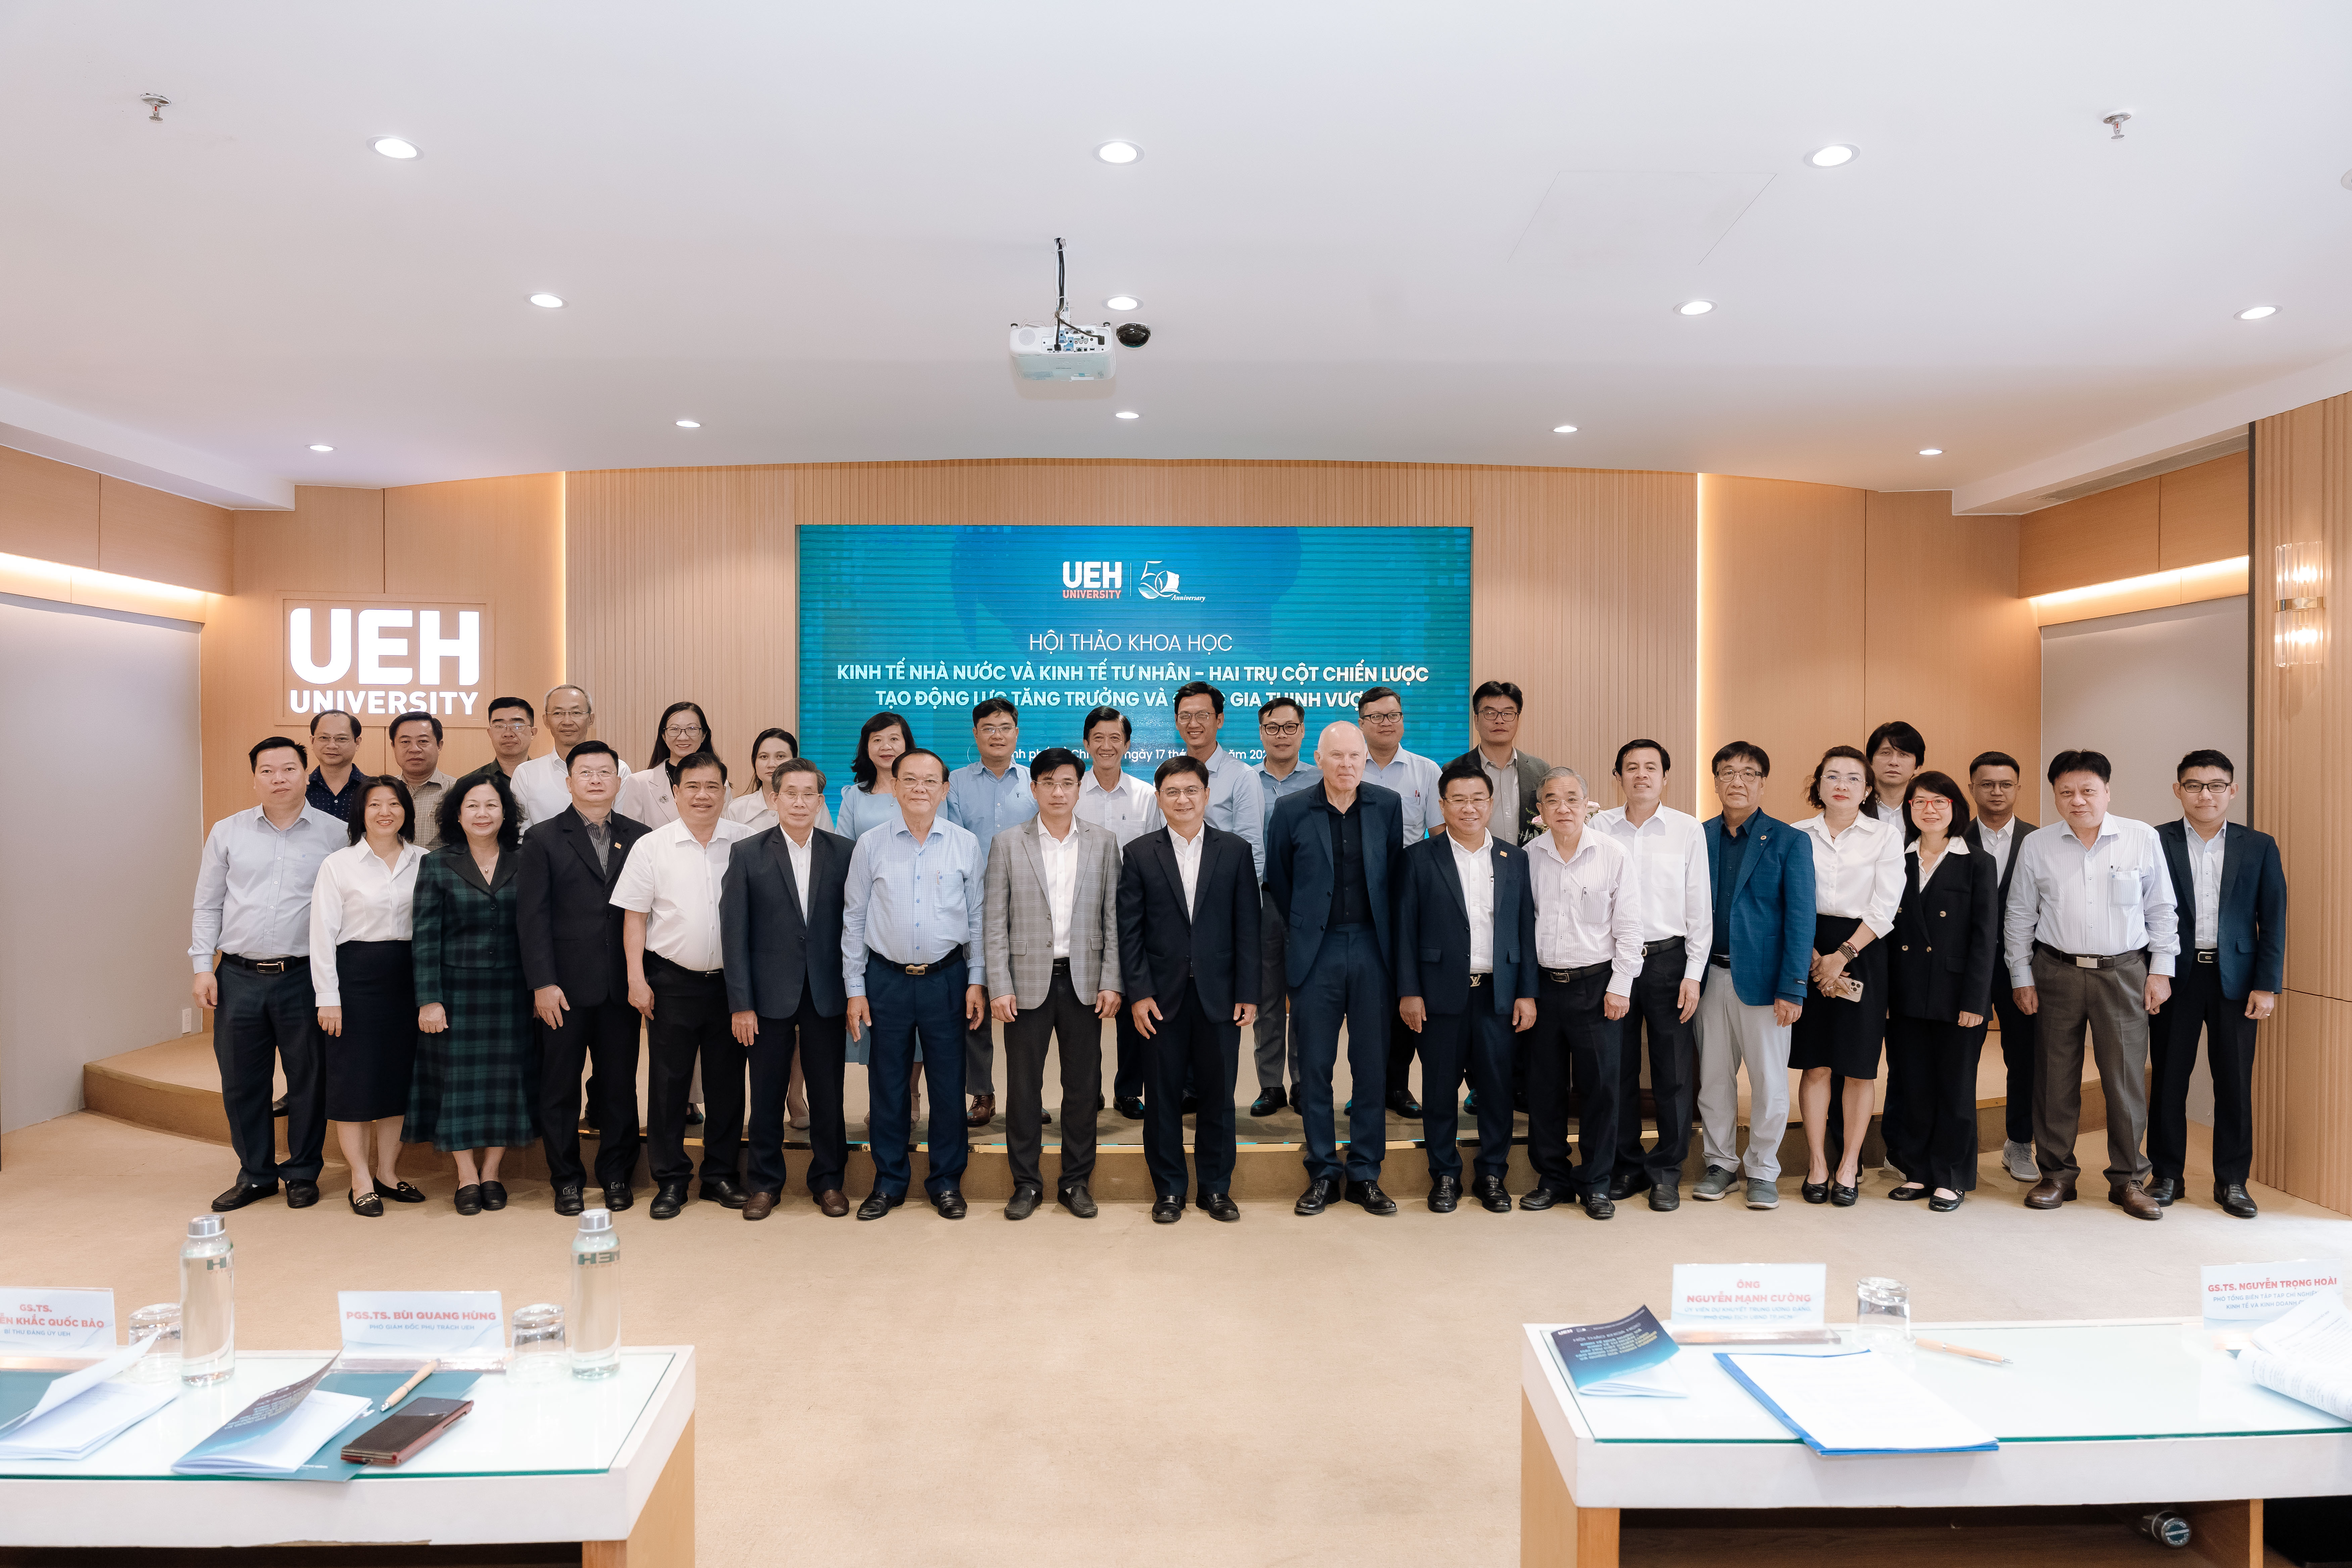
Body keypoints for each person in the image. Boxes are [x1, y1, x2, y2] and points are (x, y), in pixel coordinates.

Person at [2004, 749, 2178, 1221]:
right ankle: (2056, 1174)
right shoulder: (2038, 844)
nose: (2077, 800)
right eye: (2066, 792)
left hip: (2123, 972)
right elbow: (2019, 915)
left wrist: (2161, 970)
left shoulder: (2141, 838)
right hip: (2054, 970)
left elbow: (2162, 909)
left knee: (2124, 1080)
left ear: (2107, 792)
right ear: (2055, 795)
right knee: (2053, 1079)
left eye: (2087, 790)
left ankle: (2128, 1179)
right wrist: (2021, 975)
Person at [189, 736, 342, 1212]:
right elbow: (208, 903)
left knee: (308, 1080)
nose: (279, 779)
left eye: (289, 769)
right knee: (241, 1082)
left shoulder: (336, 834)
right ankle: (256, 1174)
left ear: (306, 774)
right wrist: (202, 967)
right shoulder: (227, 831)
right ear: (254, 777)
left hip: (304, 976)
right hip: (237, 975)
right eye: (268, 771)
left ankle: (302, 1172)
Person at [842, 748, 987, 1220]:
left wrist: (977, 980)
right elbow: (854, 919)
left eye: (930, 781)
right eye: (910, 780)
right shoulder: (871, 845)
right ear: (895, 787)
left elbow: (979, 919)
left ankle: (946, 1182)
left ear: (945, 790)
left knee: (948, 1085)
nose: (920, 789)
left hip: (948, 978)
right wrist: (855, 988)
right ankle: (889, 1182)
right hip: (886, 980)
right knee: (888, 1085)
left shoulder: (965, 844)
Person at [612, 751, 757, 1219]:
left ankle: (720, 1176)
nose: (702, 795)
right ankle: (671, 1179)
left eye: (712, 786)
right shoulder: (652, 846)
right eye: (692, 786)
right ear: (676, 793)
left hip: (731, 985)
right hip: (671, 981)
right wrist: (636, 978)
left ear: (726, 792)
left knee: (726, 1084)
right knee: (669, 1084)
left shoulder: (746, 842)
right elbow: (635, 919)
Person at [1268, 721, 1405, 1216]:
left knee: (1371, 1068)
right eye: (1337, 756)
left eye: (1355, 756)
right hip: (1316, 951)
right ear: (1319, 759)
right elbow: (1280, 882)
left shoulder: (1388, 806)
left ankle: (1366, 1173)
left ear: (1365, 759)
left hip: (1372, 948)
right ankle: (1323, 1171)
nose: (1347, 764)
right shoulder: (1290, 810)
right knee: (1315, 1069)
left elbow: (1395, 877)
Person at [1117, 754, 1260, 1222]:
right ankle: (1170, 1190)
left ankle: (1216, 1188)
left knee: (1219, 1097)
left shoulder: (1235, 851)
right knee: (1162, 1098)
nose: (1183, 800)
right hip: (1160, 998)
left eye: (1191, 790)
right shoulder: (1140, 853)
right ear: (1160, 799)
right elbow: (1130, 932)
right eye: (1173, 792)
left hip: (1221, 996)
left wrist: (1249, 991)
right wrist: (1139, 993)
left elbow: (1248, 926)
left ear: (1207, 795)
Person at [984, 747, 1122, 1220]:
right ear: (1034, 788)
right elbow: (994, 921)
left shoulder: (1104, 842)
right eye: (1049, 782)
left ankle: (1076, 1181)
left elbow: (1113, 918)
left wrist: (1112, 980)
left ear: (1080, 789)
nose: (1058, 792)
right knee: (1024, 1088)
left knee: (1082, 1087)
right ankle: (1026, 1183)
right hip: (1024, 985)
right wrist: (999, 984)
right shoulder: (1008, 843)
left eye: (1067, 783)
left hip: (1084, 982)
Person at [1394, 761, 1538, 1214]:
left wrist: (1527, 992)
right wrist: (1409, 991)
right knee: (1439, 1091)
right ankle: (1444, 1175)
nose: (1469, 808)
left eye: (1478, 799)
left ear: (1491, 804)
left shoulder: (1514, 859)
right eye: (1459, 800)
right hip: (1439, 995)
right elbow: (1405, 931)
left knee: (1496, 1090)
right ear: (1443, 806)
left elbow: (1525, 929)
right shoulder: (1419, 858)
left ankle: (1493, 1174)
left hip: (1499, 994)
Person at [515, 739, 651, 1216]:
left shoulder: (641, 837)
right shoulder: (542, 838)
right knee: (560, 1089)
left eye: (605, 772)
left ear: (618, 780)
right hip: (563, 990)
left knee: (619, 1087)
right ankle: (567, 1180)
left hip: (620, 988)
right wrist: (542, 983)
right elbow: (531, 918)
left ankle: (616, 1175)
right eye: (586, 773)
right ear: (569, 781)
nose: (596, 780)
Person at [2152, 750, 2285, 1219]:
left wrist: (2267, 985)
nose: (2204, 795)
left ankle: (2232, 1181)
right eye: (2194, 785)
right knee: (2168, 1080)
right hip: (2175, 977)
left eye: (2215, 785)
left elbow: (2273, 918)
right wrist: (2153, 973)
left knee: (2234, 1084)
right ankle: (2167, 1175)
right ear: (2178, 790)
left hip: (2238, 982)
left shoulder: (2259, 845)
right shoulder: (2156, 841)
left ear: (2232, 790)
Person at [722, 757, 856, 1220]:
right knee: (766, 1094)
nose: (800, 803)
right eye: (791, 794)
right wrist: (741, 1003)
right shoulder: (747, 853)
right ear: (775, 799)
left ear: (820, 801)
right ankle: (764, 1184)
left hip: (826, 992)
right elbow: (734, 934)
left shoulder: (845, 852)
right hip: (766, 997)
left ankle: (830, 1182)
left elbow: (855, 926)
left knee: (828, 1094)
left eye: (809, 794)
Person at [1690, 742, 1815, 1211]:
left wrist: (1792, 987)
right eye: (1727, 772)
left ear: (1763, 782)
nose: (1736, 782)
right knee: (1713, 1080)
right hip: (1709, 977)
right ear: (1715, 781)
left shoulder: (1789, 841)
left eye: (1748, 773)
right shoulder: (1698, 837)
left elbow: (1801, 919)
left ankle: (1763, 1169)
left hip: (1766, 984)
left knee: (1769, 1083)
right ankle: (1720, 1164)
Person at [406, 771, 537, 1215]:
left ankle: (492, 1172)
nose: (483, 814)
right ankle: (466, 1175)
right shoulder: (437, 864)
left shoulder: (526, 860)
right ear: (458, 815)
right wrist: (429, 999)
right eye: (473, 806)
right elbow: (425, 938)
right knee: (455, 1083)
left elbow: (538, 929)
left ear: (506, 813)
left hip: (513, 990)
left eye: (492, 805)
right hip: (456, 991)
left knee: (507, 1081)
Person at [1519, 767, 1644, 1218]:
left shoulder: (1613, 854)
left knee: (1602, 1089)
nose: (1563, 807)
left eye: (1572, 798)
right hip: (1543, 988)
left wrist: (1621, 986)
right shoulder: (1527, 858)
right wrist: (1523, 992)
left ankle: (1596, 1182)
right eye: (1552, 799)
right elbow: (1519, 930)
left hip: (1597, 987)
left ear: (1588, 805)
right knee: (1544, 1089)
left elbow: (1630, 928)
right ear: (1541, 809)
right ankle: (1553, 1178)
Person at [1592, 739, 1710, 1212]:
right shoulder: (1598, 827)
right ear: (1618, 777)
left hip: (1668, 962)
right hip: (1613, 965)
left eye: (1651, 767)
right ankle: (1625, 1165)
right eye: (1631, 767)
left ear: (1666, 777)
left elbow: (1699, 907)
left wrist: (1694, 973)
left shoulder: (1687, 829)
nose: (1641, 775)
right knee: (1615, 1069)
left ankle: (1666, 1171)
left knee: (1673, 1072)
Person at [1788, 747, 1904, 1207]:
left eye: (1854, 778)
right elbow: (1787, 900)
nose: (1842, 785)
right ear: (1818, 785)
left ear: (1868, 789)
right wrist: (1812, 953)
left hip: (1865, 950)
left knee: (1858, 1066)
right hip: (1807, 946)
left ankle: (1849, 1164)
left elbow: (1886, 905)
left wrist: (1843, 954)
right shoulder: (1797, 834)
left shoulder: (1885, 836)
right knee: (1816, 1063)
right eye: (1832, 776)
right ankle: (1818, 1162)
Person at [1881, 771, 2000, 1212]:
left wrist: (1976, 1001)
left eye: (1939, 802)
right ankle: (1917, 1170)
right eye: (1920, 802)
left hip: (1956, 995)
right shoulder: (1896, 858)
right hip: (1906, 989)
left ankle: (1951, 1176)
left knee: (1955, 1088)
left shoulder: (1977, 862)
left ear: (1955, 808)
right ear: (1909, 809)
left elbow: (1985, 937)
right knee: (1913, 1085)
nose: (1929, 809)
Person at [309, 776, 429, 1217]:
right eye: (375, 804)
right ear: (361, 812)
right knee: (354, 1083)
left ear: (406, 811)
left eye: (394, 803)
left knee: (398, 1081)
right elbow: (321, 934)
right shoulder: (338, 865)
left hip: (410, 978)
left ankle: (388, 1173)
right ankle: (360, 1178)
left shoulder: (425, 861)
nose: (385, 812)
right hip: (355, 979)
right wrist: (328, 996)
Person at [944, 697, 1037, 1128]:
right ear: (976, 734)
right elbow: (951, 842)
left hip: (1027, 904)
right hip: (971, 903)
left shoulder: (1035, 781)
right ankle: (982, 1092)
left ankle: (1028, 1095)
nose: (997, 735)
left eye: (1004, 727)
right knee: (976, 999)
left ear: (1017, 733)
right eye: (988, 728)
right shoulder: (955, 783)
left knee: (1029, 1004)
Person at [1076, 705, 1162, 1119]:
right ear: (1086, 743)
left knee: (1132, 1003)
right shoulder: (1071, 792)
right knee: (1083, 1005)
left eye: (1115, 738)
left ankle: (1129, 1089)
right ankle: (1086, 1088)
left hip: (1134, 915)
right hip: (1080, 912)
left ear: (1127, 745)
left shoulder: (1147, 796)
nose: (1106, 745)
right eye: (1099, 737)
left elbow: (1157, 857)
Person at [1359, 685, 1440, 1117]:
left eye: (1393, 715)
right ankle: (1366, 1086)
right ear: (1362, 724)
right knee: (1366, 997)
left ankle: (1398, 1086)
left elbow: (1440, 839)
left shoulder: (1426, 770)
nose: (1386, 723)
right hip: (1357, 899)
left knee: (1406, 991)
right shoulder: (1347, 768)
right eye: (1376, 716)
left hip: (1409, 895)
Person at [1963, 750, 2040, 1183]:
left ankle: (2020, 1142)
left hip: (2021, 967)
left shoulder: (2039, 840)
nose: (1997, 791)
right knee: (1962, 1057)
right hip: (1966, 968)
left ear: (2018, 788)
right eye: (1987, 784)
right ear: (1972, 787)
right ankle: (1960, 1148)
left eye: (2005, 784)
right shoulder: (1953, 838)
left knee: (2024, 1057)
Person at [1251, 696, 1320, 1116]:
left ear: (1302, 731)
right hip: (1261, 899)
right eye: (1273, 728)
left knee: (1307, 995)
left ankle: (1304, 1083)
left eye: (1290, 727)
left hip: (1309, 901)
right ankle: (1270, 1085)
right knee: (1268, 997)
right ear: (1261, 733)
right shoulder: (1247, 781)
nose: (1282, 735)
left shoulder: (1320, 780)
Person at [1172, 681, 1266, 879]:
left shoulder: (1243, 777)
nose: (1193, 724)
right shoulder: (1168, 776)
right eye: (1185, 716)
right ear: (1176, 721)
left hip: (1223, 886)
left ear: (1220, 720)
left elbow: (1252, 851)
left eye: (1203, 715)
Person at [512, 684, 632, 828]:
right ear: (546, 720)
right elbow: (521, 833)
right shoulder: (526, 774)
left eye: (576, 713)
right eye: (558, 714)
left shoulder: (618, 769)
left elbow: (624, 827)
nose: (567, 722)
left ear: (591, 719)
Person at [1447, 681, 1550, 845]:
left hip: (1528, 859)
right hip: (1473, 859)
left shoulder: (1540, 771)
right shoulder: (1453, 770)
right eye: (1490, 713)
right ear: (1476, 720)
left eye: (1508, 714)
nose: (1499, 720)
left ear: (1518, 719)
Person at [617, 700, 723, 830]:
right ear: (664, 736)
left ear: (704, 736)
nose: (683, 737)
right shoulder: (640, 783)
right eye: (675, 729)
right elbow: (632, 835)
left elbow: (726, 830)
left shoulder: (719, 782)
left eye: (692, 729)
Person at [726, 727, 836, 834]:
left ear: (794, 760)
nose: (771, 764)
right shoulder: (737, 809)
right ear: (755, 762)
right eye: (764, 757)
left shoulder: (813, 803)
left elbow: (827, 843)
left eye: (780, 756)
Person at [836, 710, 914, 842]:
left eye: (894, 739)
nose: (886, 747)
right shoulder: (853, 795)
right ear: (867, 748)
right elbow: (842, 846)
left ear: (907, 744)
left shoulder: (926, 790)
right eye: (877, 740)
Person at [389, 710, 457, 849]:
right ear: (394, 746)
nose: (414, 749)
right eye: (405, 742)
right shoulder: (384, 792)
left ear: (439, 745)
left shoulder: (458, 791)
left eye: (423, 741)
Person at [473, 696, 541, 828]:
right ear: (490, 733)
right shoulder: (471, 783)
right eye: (499, 726)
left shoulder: (550, 779)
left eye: (517, 726)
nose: (508, 734)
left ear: (533, 733)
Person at [306, 709, 365, 823]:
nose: (332, 746)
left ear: (357, 743)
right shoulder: (299, 789)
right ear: (313, 741)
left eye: (342, 739)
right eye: (324, 738)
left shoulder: (373, 790)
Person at [1865, 719, 1926, 820]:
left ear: (1917, 767)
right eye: (1886, 753)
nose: (1894, 762)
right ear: (1870, 762)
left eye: (1903, 754)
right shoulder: (1854, 806)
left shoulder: (1928, 809)